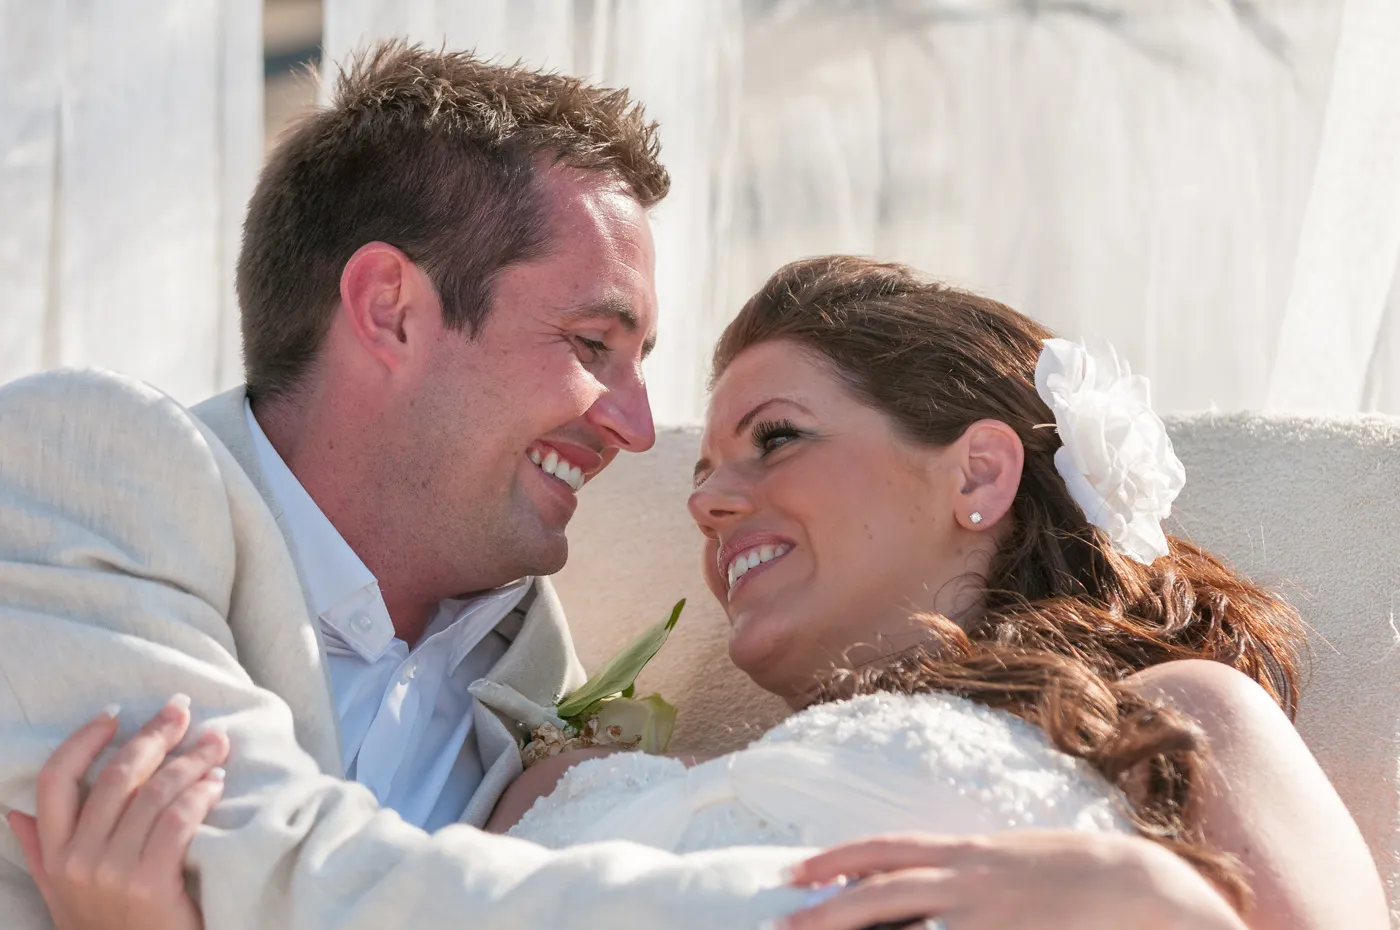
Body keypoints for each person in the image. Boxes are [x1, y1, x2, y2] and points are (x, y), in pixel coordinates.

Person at [15, 258, 1390, 930]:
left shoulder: (1180, 721)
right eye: (708, 463)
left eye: (776, 438)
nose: (708, 496)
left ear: (976, 472)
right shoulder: (564, 783)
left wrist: (1156, 907)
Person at [0, 40, 815, 930]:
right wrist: (843, 900)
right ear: (389, 308)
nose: (637, 427)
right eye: (591, 346)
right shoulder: (88, 465)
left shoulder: (536, 666)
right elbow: (268, 877)